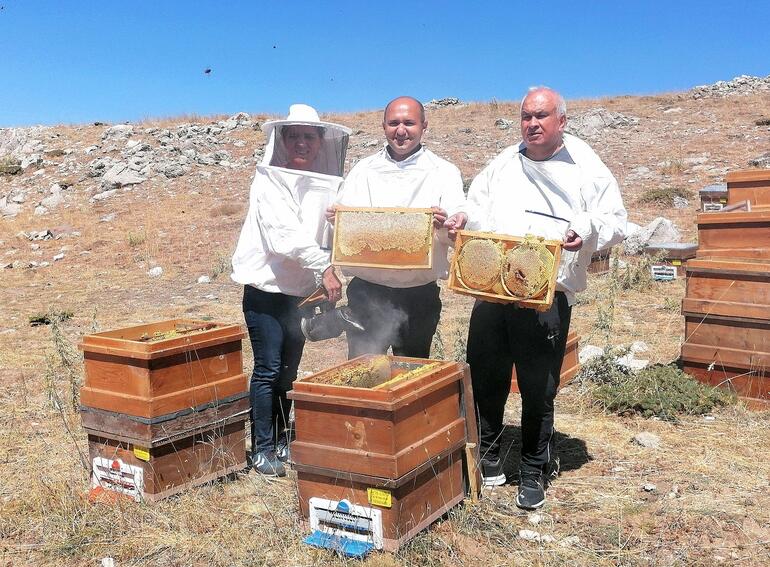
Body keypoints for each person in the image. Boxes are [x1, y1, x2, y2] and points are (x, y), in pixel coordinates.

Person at [464, 87, 627, 509]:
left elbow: (615, 220)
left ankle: (535, 467)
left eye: (541, 116)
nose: (532, 123)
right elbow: (477, 208)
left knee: (538, 386)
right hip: (492, 291)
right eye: (525, 116)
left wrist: (585, 228)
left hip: (546, 294)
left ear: (562, 121)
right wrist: (463, 221)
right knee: (486, 377)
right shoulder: (502, 163)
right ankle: (489, 455)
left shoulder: (586, 166)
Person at [231, 104, 351, 476]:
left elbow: (324, 238)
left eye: (309, 137)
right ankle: (261, 448)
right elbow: (285, 235)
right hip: (265, 292)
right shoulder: (267, 181)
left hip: (299, 294)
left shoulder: (328, 185)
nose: (301, 143)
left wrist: (340, 222)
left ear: (319, 142)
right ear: (282, 141)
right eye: (294, 136)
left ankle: (283, 440)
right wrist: (325, 268)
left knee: (289, 370)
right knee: (267, 368)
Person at [328, 96, 467, 359]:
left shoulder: (444, 171)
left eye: (409, 123)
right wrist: (337, 220)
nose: (400, 130)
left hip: (419, 295)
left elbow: (456, 229)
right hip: (368, 293)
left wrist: (448, 223)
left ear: (424, 126)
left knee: (411, 377)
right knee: (364, 373)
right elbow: (344, 230)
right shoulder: (364, 169)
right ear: (383, 127)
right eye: (393, 123)